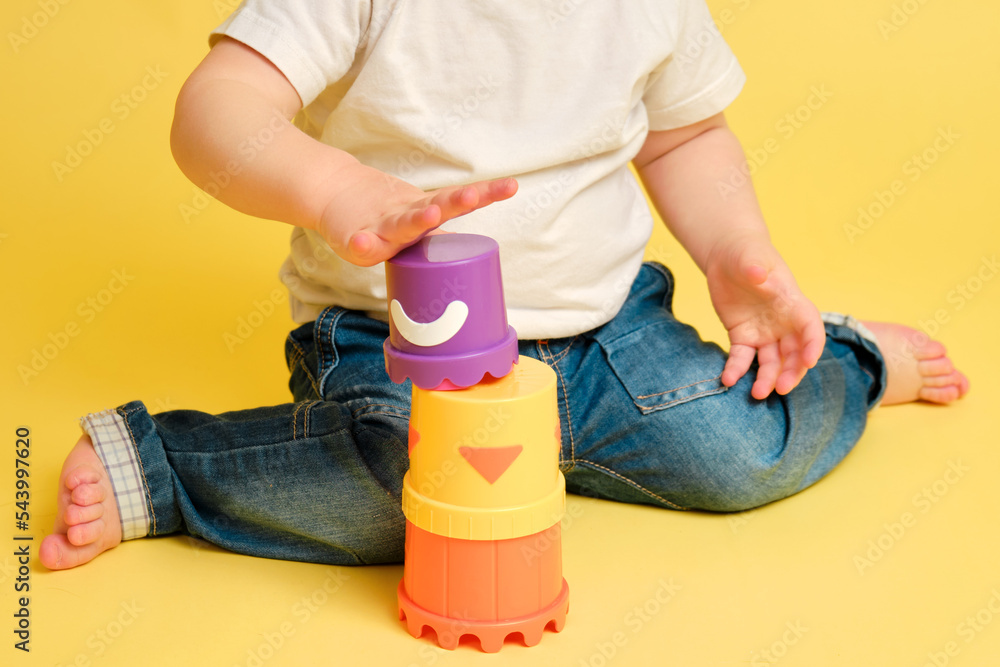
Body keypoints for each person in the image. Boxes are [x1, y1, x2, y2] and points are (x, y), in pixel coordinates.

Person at [40, 0, 968, 570]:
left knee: (737, 456)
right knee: (400, 488)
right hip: (393, 334)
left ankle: (856, 358)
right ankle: (161, 465)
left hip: (601, 336)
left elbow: (686, 135)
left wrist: (735, 251)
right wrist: (339, 189)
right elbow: (216, 111)